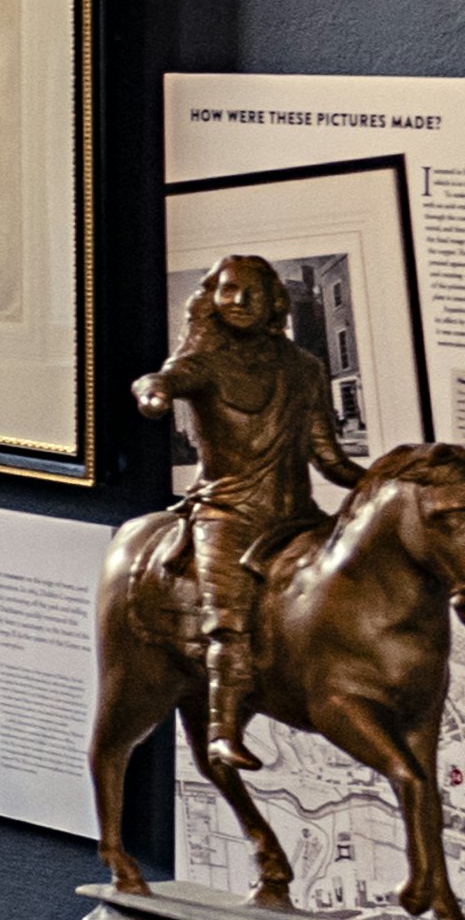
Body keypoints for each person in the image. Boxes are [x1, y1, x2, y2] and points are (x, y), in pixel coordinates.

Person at [137, 256, 364, 773]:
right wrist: (152, 393)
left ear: (274, 302)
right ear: (211, 299)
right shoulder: (203, 363)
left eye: (252, 293)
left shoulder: (303, 369)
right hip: (225, 515)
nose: (238, 302)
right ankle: (222, 731)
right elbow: (162, 379)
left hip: (296, 516)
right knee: (230, 625)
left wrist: (385, 480)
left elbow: (329, 458)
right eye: (228, 291)